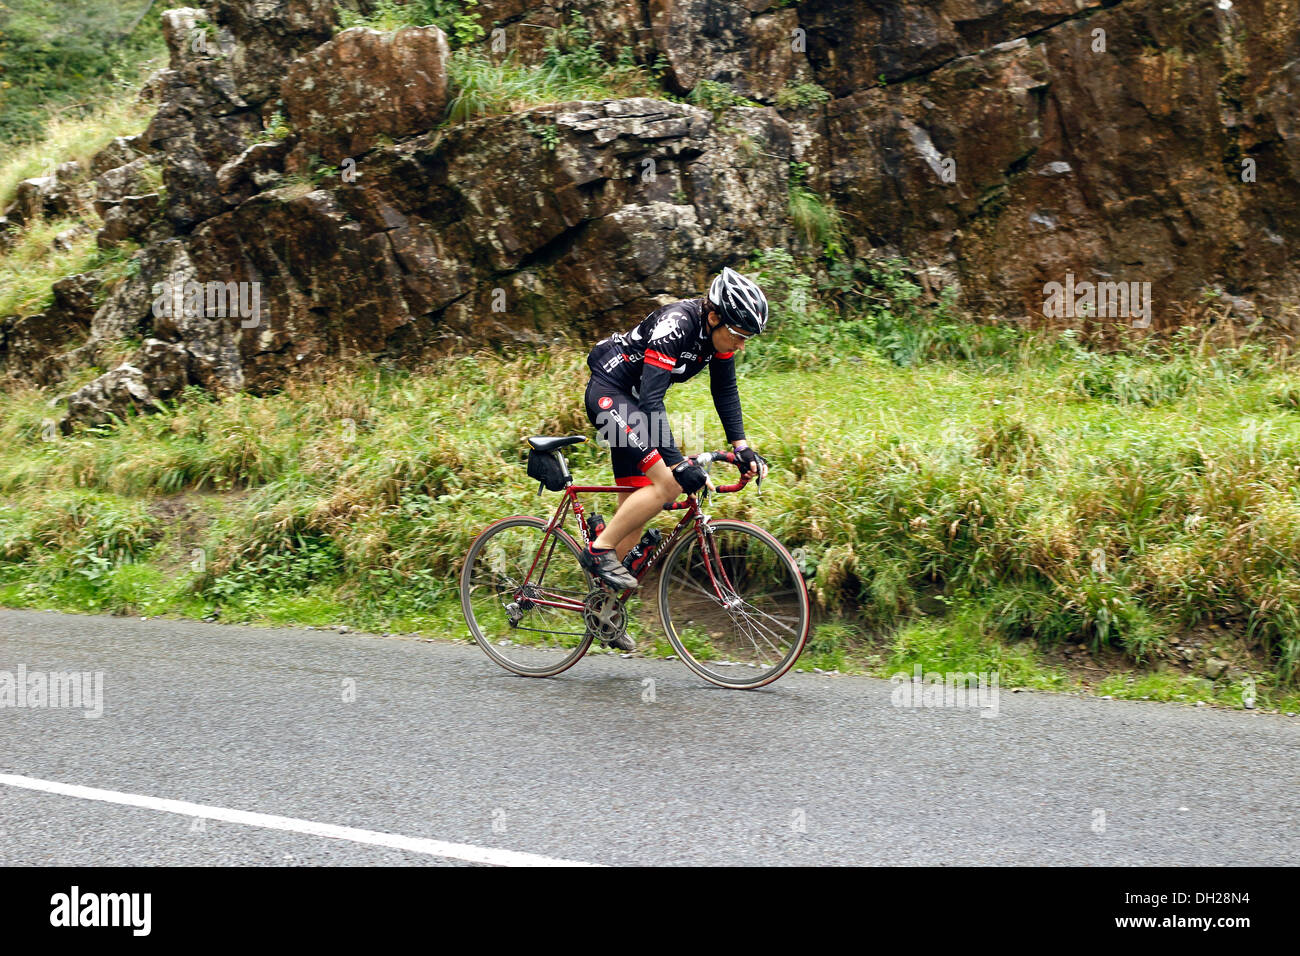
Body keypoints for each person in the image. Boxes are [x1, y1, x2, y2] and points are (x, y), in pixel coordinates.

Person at [580, 266, 770, 627]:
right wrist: (678, 463)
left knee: (632, 517)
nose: (742, 345)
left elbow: (724, 391)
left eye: (747, 337)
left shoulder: (716, 337)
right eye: (738, 335)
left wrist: (742, 447)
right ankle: (598, 550)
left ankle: (600, 612)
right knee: (668, 483)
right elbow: (651, 403)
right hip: (610, 394)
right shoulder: (677, 325)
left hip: (633, 404)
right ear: (714, 317)